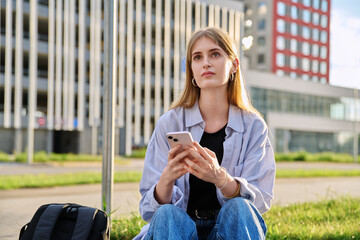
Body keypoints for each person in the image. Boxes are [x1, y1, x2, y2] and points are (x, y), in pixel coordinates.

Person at [134, 27, 276, 240]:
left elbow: (259, 202)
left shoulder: (254, 125)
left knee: (239, 208)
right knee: (166, 215)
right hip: (180, 230)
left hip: (229, 231)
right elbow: (149, 211)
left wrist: (220, 178)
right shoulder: (170, 122)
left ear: (234, 66)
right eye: (197, 57)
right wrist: (168, 177)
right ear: (191, 70)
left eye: (215, 54)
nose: (206, 63)